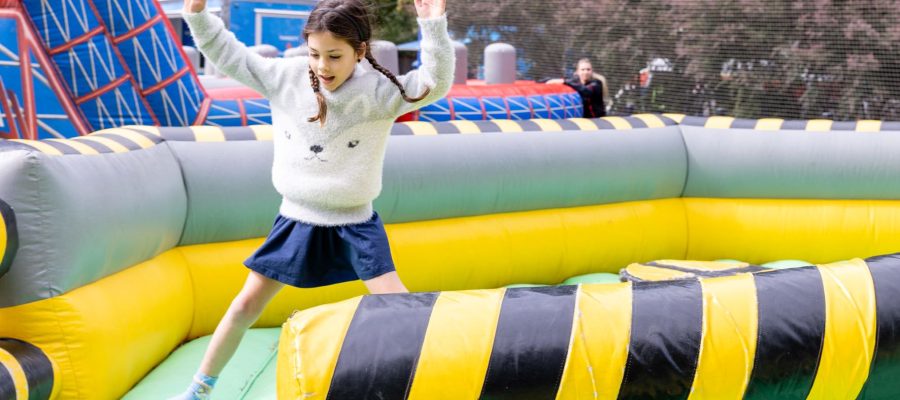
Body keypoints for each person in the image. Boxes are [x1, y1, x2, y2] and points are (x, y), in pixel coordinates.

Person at [174, 0, 453, 398]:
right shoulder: (286, 78)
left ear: (360, 51)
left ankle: (440, 379)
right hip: (296, 220)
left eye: (335, 56)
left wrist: (433, 27)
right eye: (315, 54)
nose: (323, 66)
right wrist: (199, 15)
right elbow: (227, 54)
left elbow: (434, 82)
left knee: (400, 306)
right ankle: (200, 387)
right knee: (244, 306)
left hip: (355, 223)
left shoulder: (379, 91)